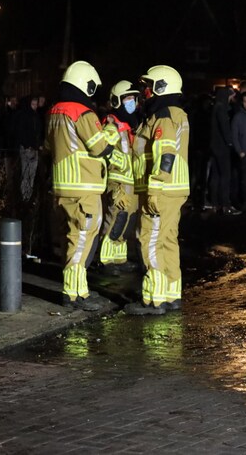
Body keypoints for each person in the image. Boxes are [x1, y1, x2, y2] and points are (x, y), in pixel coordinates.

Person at [45, 61, 127, 311]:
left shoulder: (54, 111)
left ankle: (80, 291)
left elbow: (48, 146)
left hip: (62, 187)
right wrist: (115, 147)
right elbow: (99, 147)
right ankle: (72, 294)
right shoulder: (82, 112)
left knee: (70, 240)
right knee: (81, 241)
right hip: (85, 187)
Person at [128, 65, 190, 315]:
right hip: (173, 189)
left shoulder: (162, 116)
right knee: (167, 241)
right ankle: (171, 295)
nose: (145, 92)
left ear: (161, 88)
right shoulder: (175, 113)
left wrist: (154, 188)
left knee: (151, 241)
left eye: (149, 87)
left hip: (160, 191)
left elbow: (165, 153)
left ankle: (155, 299)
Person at [97, 81, 140, 273]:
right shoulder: (112, 126)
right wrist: (120, 163)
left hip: (131, 182)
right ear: (117, 101)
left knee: (128, 220)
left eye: (133, 98)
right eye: (127, 98)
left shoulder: (130, 125)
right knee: (115, 219)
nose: (132, 102)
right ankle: (105, 260)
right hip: (118, 181)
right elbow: (102, 150)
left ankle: (119, 258)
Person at [209, 86, 240, 215]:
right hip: (222, 148)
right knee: (225, 176)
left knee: (215, 175)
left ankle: (215, 204)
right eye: (230, 97)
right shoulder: (222, 109)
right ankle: (226, 205)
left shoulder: (215, 107)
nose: (231, 99)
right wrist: (231, 143)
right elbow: (225, 129)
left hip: (214, 147)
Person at [13, 95, 44, 203]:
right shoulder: (28, 116)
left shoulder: (34, 115)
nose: (35, 106)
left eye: (36, 104)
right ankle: (26, 196)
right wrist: (31, 145)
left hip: (31, 148)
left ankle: (27, 196)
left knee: (29, 174)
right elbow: (26, 132)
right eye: (33, 104)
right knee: (27, 174)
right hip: (29, 148)